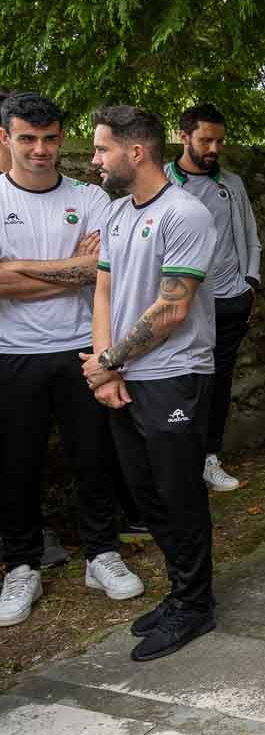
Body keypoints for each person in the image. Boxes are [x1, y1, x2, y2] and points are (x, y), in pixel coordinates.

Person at [0, 94, 144, 630]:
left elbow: (105, 271)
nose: (40, 150)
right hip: (12, 353)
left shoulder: (91, 197)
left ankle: (101, 554)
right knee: (18, 463)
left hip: (83, 347)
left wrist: (22, 272)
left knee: (95, 457)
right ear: (7, 139)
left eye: (51, 138)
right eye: (27, 139)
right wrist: (73, 266)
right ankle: (21, 565)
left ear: (62, 139)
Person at [84, 105, 219, 661]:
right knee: (145, 495)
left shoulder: (185, 214)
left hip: (174, 376)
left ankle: (196, 604)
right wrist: (103, 370)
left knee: (178, 493)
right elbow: (104, 293)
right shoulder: (117, 215)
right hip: (124, 376)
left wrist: (111, 359)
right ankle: (181, 590)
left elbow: (172, 309)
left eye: (101, 149)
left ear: (135, 152)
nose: (94, 160)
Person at [164, 104, 261, 493]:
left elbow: (250, 233)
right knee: (181, 380)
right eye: (206, 139)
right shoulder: (166, 184)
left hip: (229, 300)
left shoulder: (231, 183)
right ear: (184, 135)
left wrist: (249, 282)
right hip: (183, 303)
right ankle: (180, 460)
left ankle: (209, 457)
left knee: (219, 382)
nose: (214, 147)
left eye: (219, 140)